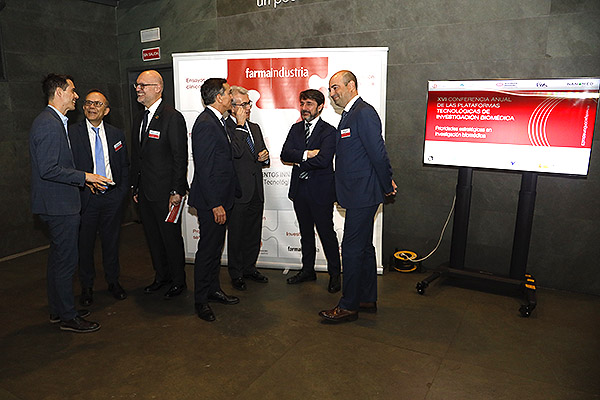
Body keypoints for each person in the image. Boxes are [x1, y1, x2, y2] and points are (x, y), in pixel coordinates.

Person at [30, 73, 112, 333]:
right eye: (73, 91)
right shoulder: (48, 124)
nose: (77, 96)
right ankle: (68, 315)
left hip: (58, 202)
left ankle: (58, 309)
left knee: (58, 259)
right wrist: (85, 176)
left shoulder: (55, 121)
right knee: (66, 261)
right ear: (59, 92)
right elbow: (49, 169)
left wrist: (82, 181)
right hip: (59, 206)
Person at [319, 70, 397, 323]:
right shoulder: (348, 115)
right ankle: (366, 297)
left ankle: (348, 305)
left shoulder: (363, 112)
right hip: (357, 192)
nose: (332, 94)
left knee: (351, 249)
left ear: (351, 86)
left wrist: (386, 185)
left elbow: (378, 153)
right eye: (330, 89)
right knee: (363, 247)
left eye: (335, 88)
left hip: (364, 193)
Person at [130, 70, 188, 299]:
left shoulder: (172, 117)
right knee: (153, 238)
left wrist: (177, 189)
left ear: (158, 88)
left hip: (166, 193)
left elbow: (179, 156)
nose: (138, 88)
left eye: (143, 85)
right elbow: (138, 156)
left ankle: (178, 280)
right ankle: (161, 276)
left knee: (170, 238)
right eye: (137, 85)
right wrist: (135, 187)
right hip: (145, 193)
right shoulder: (140, 117)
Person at [69, 90, 129, 306]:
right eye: (88, 103)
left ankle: (113, 282)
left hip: (112, 198)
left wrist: (121, 193)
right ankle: (87, 286)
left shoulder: (117, 134)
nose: (92, 107)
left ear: (106, 110)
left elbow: (123, 165)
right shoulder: (71, 133)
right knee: (84, 245)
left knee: (111, 243)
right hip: (86, 199)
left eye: (98, 104)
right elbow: (68, 168)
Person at [189, 78, 240, 322]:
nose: (232, 97)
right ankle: (201, 300)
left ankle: (213, 289)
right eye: (229, 93)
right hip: (213, 202)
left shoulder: (218, 122)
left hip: (222, 198)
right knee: (207, 251)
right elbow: (204, 168)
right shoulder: (206, 124)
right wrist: (215, 204)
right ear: (219, 97)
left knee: (215, 249)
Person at [280, 89, 341, 293]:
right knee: (305, 234)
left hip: (321, 192)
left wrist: (298, 161)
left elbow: (324, 160)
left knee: (326, 234)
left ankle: (335, 274)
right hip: (300, 190)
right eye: (302, 104)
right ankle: (308, 270)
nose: (304, 108)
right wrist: (307, 154)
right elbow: (284, 154)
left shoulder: (329, 131)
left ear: (320, 107)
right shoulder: (295, 128)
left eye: (309, 104)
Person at [225, 86, 270, 291]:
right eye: (242, 104)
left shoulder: (256, 127)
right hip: (238, 192)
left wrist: (265, 156)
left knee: (253, 232)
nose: (247, 108)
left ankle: (249, 267)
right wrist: (240, 126)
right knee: (236, 235)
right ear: (231, 107)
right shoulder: (225, 128)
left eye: (248, 103)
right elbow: (235, 153)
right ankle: (236, 273)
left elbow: (258, 156)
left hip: (256, 190)